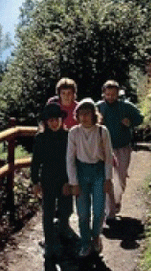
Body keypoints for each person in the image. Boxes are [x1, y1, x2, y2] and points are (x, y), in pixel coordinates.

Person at [67, 98, 114, 257]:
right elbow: (70, 158)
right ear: (77, 115)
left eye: (87, 113)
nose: (84, 117)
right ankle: (85, 243)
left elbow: (108, 156)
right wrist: (73, 182)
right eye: (81, 114)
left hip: (99, 172)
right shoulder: (74, 132)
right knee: (83, 212)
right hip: (81, 172)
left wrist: (108, 179)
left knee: (99, 210)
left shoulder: (102, 131)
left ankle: (96, 236)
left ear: (94, 114)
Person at [96, 80, 144, 221]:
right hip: (104, 148)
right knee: (107, 178)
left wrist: (130, 122)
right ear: (103, 93)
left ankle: (116, 200)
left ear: (118, 94)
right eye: (108, 94)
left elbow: (140, 118)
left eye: (113, 94)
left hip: (122, 146)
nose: (110, 97)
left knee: (121, 178)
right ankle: (109, 208)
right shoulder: (98, 107)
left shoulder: (126, 106)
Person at [31, 103, 73, 259]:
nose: (54, 123)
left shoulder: (68, 136)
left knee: (66, 208)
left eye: (57, 119)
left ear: (62, 120)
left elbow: (72, 160)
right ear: (46, 122)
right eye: (50, 120)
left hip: (65, 179)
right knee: (47, 212)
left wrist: (70, 180)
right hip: (47, 180)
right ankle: (49, 243)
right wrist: (35, 182)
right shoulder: (41, 138)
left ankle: (63, 230)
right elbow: (35, 162)